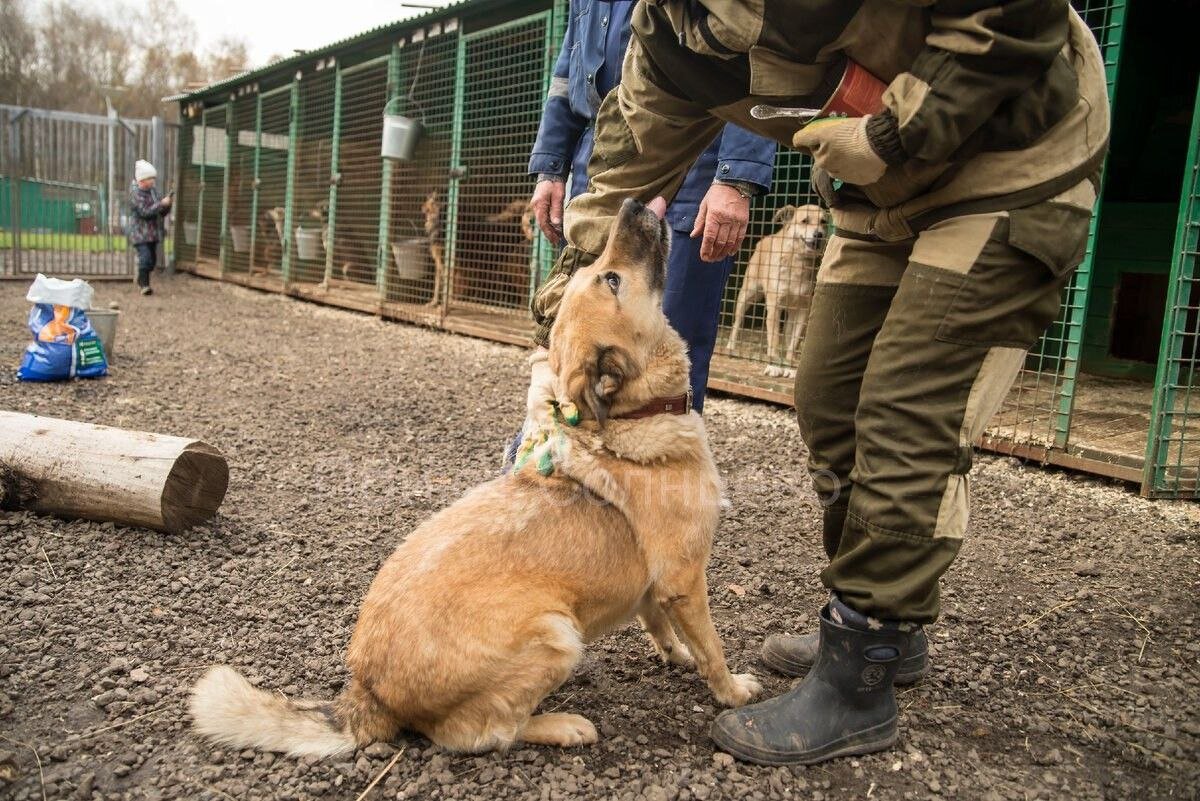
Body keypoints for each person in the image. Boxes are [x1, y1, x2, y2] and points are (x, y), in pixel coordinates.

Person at [525, 0, 1109, 766]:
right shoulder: (666, 32)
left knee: (906, 409)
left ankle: (860, 670)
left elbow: (1012, 15)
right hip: (879, 197)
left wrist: (892, 133)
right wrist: (557, 328)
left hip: (1011, 160)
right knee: (829, 398)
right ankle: (879, 624)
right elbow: (624, 163)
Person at [527, 0, 776, 413]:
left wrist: (735, 176)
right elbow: (565, 76)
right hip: (601, 159)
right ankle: (562, 449)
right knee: (572, 321)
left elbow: (754, 55)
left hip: (690, 153)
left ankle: (661, 464)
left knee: (674, 335)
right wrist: (550, 166)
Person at [127, 159, 171, 296]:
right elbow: (144, 212)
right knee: (145, 258)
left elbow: (161, 213)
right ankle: (144, 285)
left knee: (151, 262)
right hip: (140, 234)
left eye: (153, 178)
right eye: (150, 178)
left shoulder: (153, 192)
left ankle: (141, 275)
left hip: (153, 234)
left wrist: (167, 205)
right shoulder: (136, 194)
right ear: (142, 180)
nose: (152, 181)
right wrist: (160, 204)